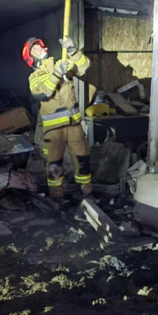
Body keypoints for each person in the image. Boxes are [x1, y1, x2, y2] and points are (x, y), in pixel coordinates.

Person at [24, 36, 92, 199]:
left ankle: (87, 196)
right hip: (53, 130)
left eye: (40, 46)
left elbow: (84, 67)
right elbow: (42, 93)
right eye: (35, 49)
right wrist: (56, 73)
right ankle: (57, 200)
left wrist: (72, 50)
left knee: (82, 162)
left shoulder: (60, 62)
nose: (40, 49)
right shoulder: (34, 77)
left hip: (74, 125)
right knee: (54, 167)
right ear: (30, 58)